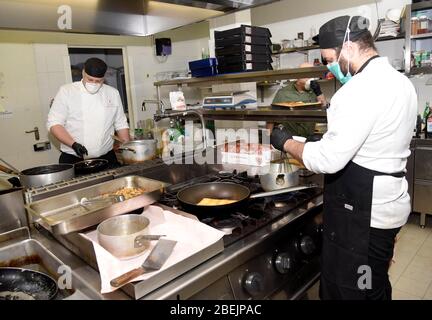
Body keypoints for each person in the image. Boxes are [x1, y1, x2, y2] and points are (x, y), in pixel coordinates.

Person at [270, 16, 417, 300]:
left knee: (350, 292)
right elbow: (370, 142)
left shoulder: (358, 90)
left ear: (347, 47)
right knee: (373, 286)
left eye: (328, 59)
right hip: (388, 205)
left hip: (363, 216)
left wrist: (286, 142)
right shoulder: (400, 82)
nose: (329, 69)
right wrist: (317, 142)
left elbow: (328, 160)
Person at [47, 58, 130, 166]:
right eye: (90, 79)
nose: (94, 83)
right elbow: (54, 124)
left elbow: (121, 123)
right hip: (74, 159)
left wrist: (127, 147)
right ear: (83, 73)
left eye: (98, 81)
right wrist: (73, 144)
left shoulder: (112, 93)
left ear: (103, 78)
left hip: (107, 158)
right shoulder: (67, 92)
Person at [267, 62, 327, 138]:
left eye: (312, 75)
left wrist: (319, 92)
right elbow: (270, 118)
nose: (310, 78)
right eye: (307, 75)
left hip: (308, 138)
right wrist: (267, 140)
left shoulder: (315, 91)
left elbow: (325, 108)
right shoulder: (284, 92)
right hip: (288, 139)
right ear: (298, 76)